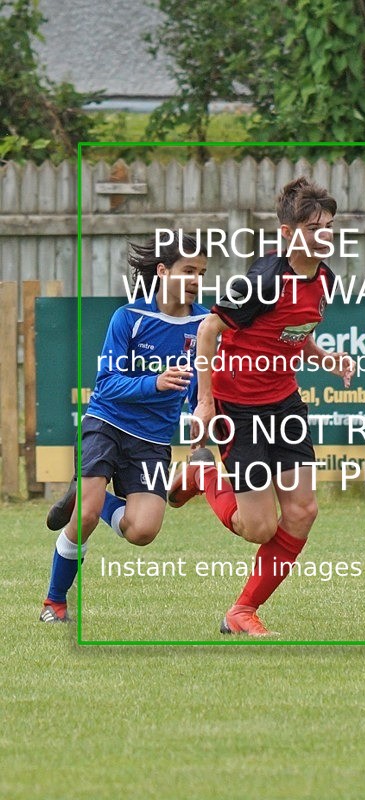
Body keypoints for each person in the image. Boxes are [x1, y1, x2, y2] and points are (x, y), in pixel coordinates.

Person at [168, 177, 354, 637]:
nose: (324, 235)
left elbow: (292, 330)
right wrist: (207, 402)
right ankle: (201, 473)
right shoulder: (262, 280)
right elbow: (210, 331)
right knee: (258, 527)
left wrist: (324, 357)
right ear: (288, 233)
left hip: (283, 404)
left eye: (329, 226)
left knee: (303, 511)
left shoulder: (324, 279)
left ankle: (241, 612)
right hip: (237, 407)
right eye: (314, 228)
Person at [40, 235, 208, 622]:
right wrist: (155, 382)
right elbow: (106, 384)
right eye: (188, 271)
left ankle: (86, 496)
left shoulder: (203, 324)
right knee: (84, 516)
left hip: (152, 439)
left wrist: (202, 412)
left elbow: (200, 386)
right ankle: (54, 602)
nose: (196, 280)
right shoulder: (129, 318)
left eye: (201, 273)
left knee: (142, 531)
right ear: (163, 272)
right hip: (108, 423)